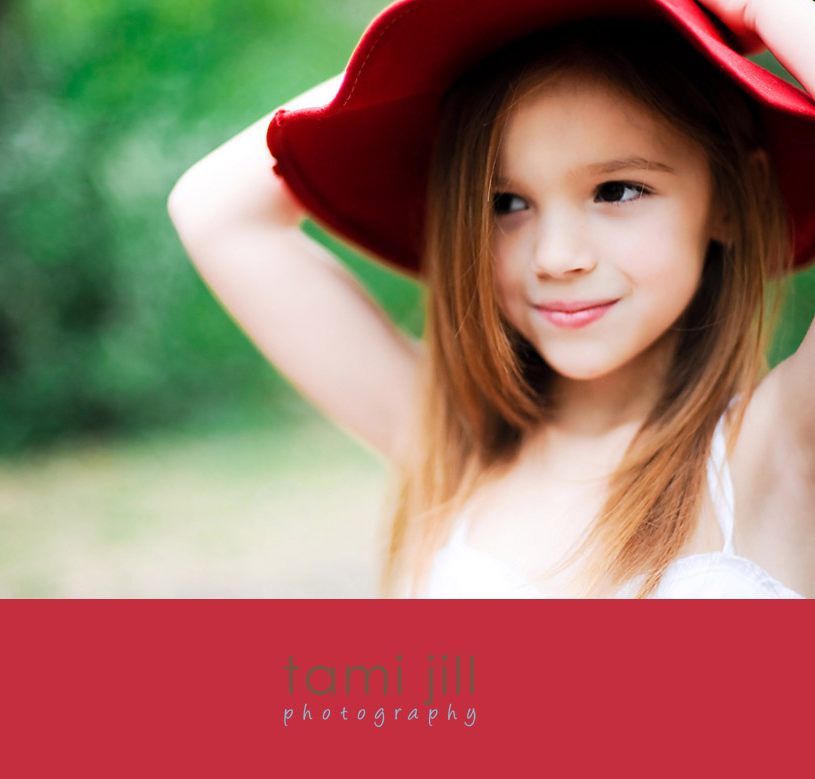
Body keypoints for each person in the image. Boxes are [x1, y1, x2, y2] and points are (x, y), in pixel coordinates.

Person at [167, 0, 815, 598]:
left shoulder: (780, 445)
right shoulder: (456, 442)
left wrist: (757, 7)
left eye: (617, 190)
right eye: (506, 203)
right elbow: (214, 211)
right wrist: (418, 72)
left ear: (730, 200)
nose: (556, 257)